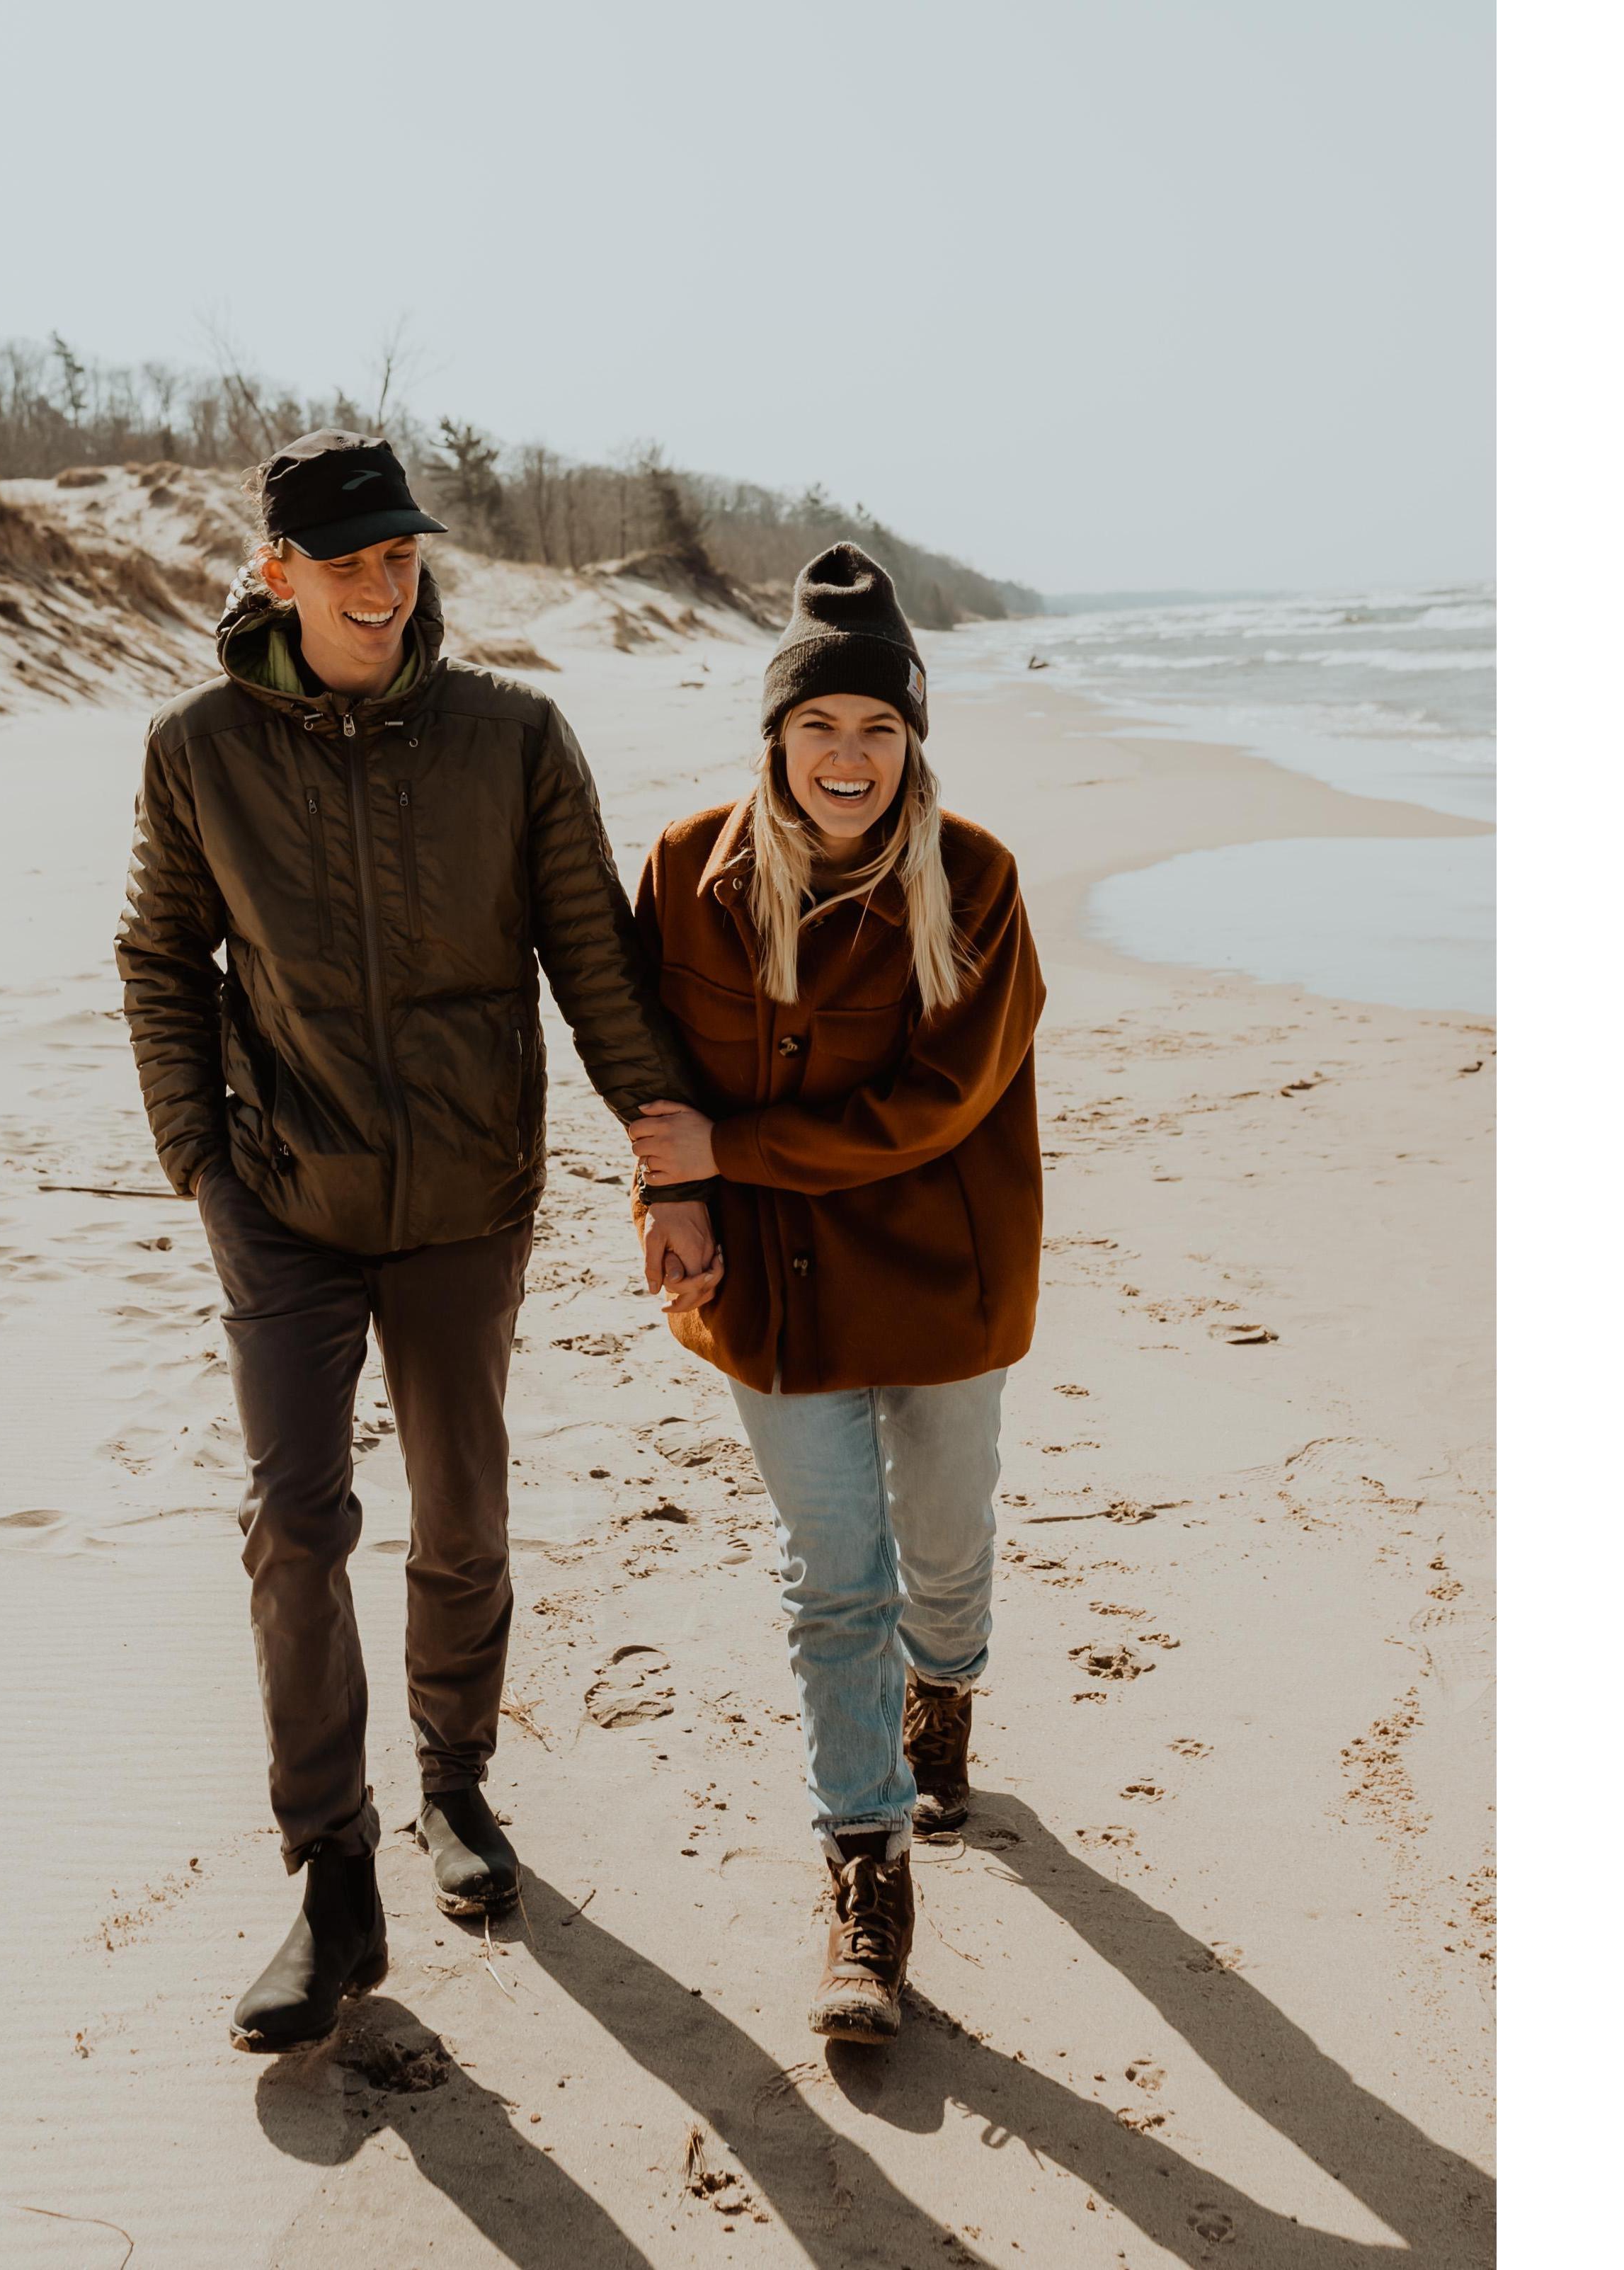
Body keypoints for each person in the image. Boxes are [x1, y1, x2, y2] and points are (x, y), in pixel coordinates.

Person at [115, 428, 724, 2053]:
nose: (383, 586)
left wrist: (669, 1161)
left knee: (462, 1511)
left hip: (466, 1195)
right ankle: (332, 1875)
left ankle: (456, 1785)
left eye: (401, 554)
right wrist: (201, 1163)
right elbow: (162, 956)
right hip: (283, 1201)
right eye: (349, 562)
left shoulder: (512, 736)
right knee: (294, 1524)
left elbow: (594, 961)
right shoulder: (196, 751)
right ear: (278, 575)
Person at [626, 543, 1045, 2045]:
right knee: (832, 1579)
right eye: (820, 725)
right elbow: (643, 1061)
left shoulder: (978, 880)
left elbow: (936, 1107)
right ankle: (866, 1870)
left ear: (913, 739)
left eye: (878, 727)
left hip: (941, 1273)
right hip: (775, 1292)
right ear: (776, 736)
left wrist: (727, 1154)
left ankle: (948, 1686)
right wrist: (668, 1195)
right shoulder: (688, 870)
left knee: (943, 1542)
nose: (849, 757)